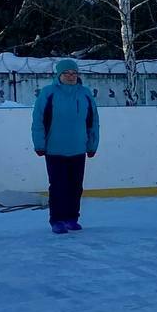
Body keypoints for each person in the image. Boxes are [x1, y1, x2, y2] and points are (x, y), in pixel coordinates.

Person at [31, 58, 100, 234]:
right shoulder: (48, 93)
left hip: (78, 148)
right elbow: (38, 120)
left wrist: (92, 145)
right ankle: (57, 220)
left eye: (74, 73)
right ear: (59, 75)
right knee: (58, 186)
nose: (71, 76)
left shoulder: (85, 93)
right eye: (67, 73)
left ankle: (71, 218)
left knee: (75, 186)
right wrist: (39, 144)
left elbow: (93, 121)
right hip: (54, 149)